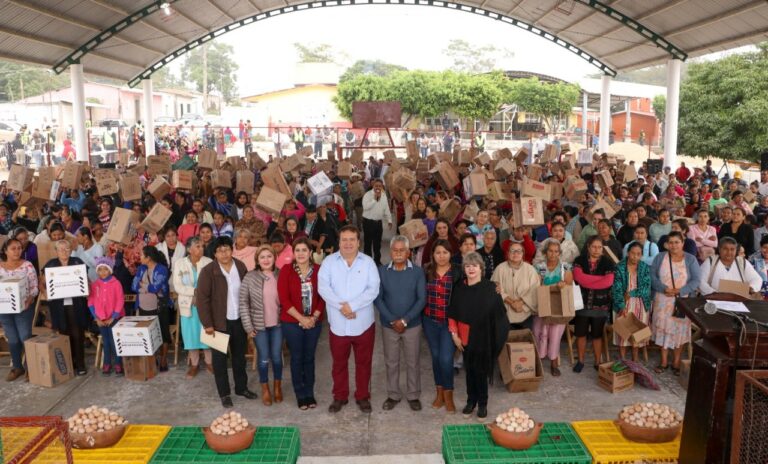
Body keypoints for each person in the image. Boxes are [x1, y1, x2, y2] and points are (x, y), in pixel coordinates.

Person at [319, 225, 380, 414]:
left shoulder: (368, 262)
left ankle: (362, 396)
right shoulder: (329, 262)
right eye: (344, 239)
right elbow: (324, 288)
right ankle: (340, 396)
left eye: (351, 239)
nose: (347, 243)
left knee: (364, 362)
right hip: (338, 324)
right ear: (339, 242)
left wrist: (351, 306)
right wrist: (342, 307)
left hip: (363, 324)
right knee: (338, 363)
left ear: (358, 242)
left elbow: (373, 289)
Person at [197, 237, 258, 407]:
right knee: (219, 360)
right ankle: (224, 394)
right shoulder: (208, 271)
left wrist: (250, 319)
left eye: (227, 249)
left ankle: (241, 387)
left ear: (232, 250)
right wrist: (207, 323)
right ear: (215, 254)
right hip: (218, 323)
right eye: (219, 250)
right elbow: (202, 299)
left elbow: (248, 293)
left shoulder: (240, 266)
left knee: (239, 357)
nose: (224, 253)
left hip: (238, 320)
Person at [448, 252, 508, 419]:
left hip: (484, 338)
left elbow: (500, 316)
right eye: (467, 266)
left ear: (481, 268)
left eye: (474, 265)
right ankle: (470, 401)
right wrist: (455, 336)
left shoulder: (491, 288)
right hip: (465, 338)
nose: (471, 268)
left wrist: (496, 338)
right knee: (470, 372)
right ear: (464, 269)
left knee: (481, 372)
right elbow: (452, 313)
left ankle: (483, 403)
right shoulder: (459, 287)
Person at [374, 235, 427, 411]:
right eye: (395, 250)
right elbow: (378, 299)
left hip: (412, 325)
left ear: (408, 252)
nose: (398, 253)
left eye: (401, 250)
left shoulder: (418, 272)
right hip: (389, 326)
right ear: (390, 252)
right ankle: (393, 395)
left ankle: (413, 395)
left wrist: (405, 320)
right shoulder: (382, 271)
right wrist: (392, 319)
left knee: (412, 361)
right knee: (391, 361)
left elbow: (421, 299)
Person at [278, 238, 325, 410]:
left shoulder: (319, 271)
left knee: (309, 357)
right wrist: (302, 318)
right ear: (293, 253)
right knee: (297, 357)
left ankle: (309, 392)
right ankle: (300, 393)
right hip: (292, 322)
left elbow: (323, 297)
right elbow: (284, 299)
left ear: (310, 252)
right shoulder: (286, 271)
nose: (301, 253)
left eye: (304, 250)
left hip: (314, 322)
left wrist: (314, 317)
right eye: (297, 250)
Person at [650, 232, 700, 375]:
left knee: (679, 331)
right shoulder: (660, 257)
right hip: (662, 300)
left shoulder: (690, 259)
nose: (673, 245)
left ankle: (676, 362)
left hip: (682, 301)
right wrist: (664, 288)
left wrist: (680, 290)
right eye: (670, 242)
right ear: (667, 244)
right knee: (663, 329)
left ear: (682, 243)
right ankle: (664, 361)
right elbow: (652, 276)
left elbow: (696, 280)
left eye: (676, 242)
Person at [240, 245, 283, 406]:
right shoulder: (250, 277)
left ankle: (277, 386)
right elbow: (243, 303)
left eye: (269, 256)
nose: (266, 260)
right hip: (259, 326)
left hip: (278, 325)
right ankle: (265, 388)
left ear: (274, 258)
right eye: (262, 257)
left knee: (277, 358)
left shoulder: (280, 275)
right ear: (257, 260)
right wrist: (248, 326)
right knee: (264, 358)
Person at [423, 239, 461, 414]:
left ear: (450, 254)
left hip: (448, 323)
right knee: (436, 358)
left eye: (445, 252)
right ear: (433, 255)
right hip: (430, 321)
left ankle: (449, 395)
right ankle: (439, 393)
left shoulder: (458, 272)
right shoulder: (426, 271)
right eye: (438, 253)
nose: (441, 256)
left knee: (446, 359)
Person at [42, 240, 90, 376]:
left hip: (76, 304)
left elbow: (86, 279)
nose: (64, 251)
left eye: (67, 248)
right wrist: (46, 293)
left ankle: (80, 364)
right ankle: (69, 363)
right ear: (56, 251)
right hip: (58, 305)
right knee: (64, 333)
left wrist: (87, 289)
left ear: (71, 250)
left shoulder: (77, 262)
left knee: (77, 334)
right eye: (61, 249)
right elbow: (42, 282)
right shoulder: (51, 264)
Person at [572, 235, 616, 373]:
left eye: (599, 247)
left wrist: (588, 280)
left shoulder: (608, 263)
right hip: (582, 305)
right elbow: (578, 278)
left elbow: (608, 282)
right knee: (581, 334)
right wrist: (598, 280)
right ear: (588, 247)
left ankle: (598, 361)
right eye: (594, 247)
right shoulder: (579, 260)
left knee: (597, 335)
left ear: (603, 248)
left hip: (601, 305)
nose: (596, 250)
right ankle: (580, 361)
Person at [172, 237, 213, 378]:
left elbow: (213, 284)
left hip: (205, 305)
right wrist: (194, 292)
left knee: (207, 333)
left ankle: (209, 362)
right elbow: (178, 286)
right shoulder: (180, 263)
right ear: (189, 249)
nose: (201, 248)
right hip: (188, 306)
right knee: (191, 336)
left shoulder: (209, 262)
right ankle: (194, 365)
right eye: (198, 246)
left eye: (202, 246)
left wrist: (201, 294)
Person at [533, 239, 573, 376]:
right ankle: (538, 359)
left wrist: (563, 285)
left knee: (555, 334)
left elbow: (569, 285)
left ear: (559, 253)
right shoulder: (539, 267)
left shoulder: (565, 267)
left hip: (559, 305)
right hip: (542, 304)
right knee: (539, 331)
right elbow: (536, 286)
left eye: (556, 251)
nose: (553, 254)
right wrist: (555, 286)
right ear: (545, 252)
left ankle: (554, 362)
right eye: (550, 251)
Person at [0, 238, 38, 381]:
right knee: (13, 339)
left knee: (25, 337)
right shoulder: (0, 266)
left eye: (19, 248)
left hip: (24, 308)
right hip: (4, 310)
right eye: (13, 248)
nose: (17, 251)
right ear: (5, 251)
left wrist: (30, 299)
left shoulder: (27, 265)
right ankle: (17, 367)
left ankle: (31, 369)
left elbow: (34, 286)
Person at [131, 246, 171, 372]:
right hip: (144, 306)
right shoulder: (141, 268)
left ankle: (163, 359)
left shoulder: (162, 269)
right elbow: (133, 286)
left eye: (142, 255)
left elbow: (156, 288)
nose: (140, 257)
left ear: (148, 258)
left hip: (159, 306)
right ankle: (153, 358)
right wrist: (146, 287)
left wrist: (143, 286)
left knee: (163, 333)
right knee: (148, 333)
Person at [611, 242, 652, 361]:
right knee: (623, 334)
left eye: (638, 254)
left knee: (637, 333)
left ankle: (635, 359)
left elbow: (646, 287)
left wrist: (631, 293)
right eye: (633, 253)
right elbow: (616, 289)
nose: (635, 256)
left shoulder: (644, 267)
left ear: (641, 255)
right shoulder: (619, 267)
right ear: (628, 253)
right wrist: (621, 306)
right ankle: (623, 359)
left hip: (641, 304)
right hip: (623, 304)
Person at [88, 257, 125, 376]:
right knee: (106, 341)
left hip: (114, 318)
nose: (102, 272)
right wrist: (96, 318)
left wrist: (113, 317)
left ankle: (119, 363)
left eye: (105, 269)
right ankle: (107, 364)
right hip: (101, 320)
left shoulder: (116, 283)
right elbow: (91, 302)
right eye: (100, 270)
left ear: (110, 270)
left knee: (115, 342)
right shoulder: (95, 285)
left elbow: (120, 300)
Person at [491, 241, 539, 330]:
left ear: (523, 254)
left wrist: (521, 302)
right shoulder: (500, 269)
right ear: (508, 253)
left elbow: (535, 290)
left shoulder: (530, 270)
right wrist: (512, 303)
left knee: (525, 342)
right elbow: (495, 289)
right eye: (512, 251)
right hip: (504, 312)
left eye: (519, 251)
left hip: (525, 311)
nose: (515, 253)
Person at [361, 180, 392, 265]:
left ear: (382, 187)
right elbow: (365, 207)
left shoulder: (384, 195)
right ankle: (368, 262)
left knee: (377, 243)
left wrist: (389, 220)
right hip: (368, 222)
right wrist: (374, 199)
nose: (378, 187)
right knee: (367, 243)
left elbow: (386, 209)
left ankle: (377, 261)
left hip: (378, 223)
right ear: (373, 186)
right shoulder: (367, 195)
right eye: (376, 186)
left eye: (380, 186)